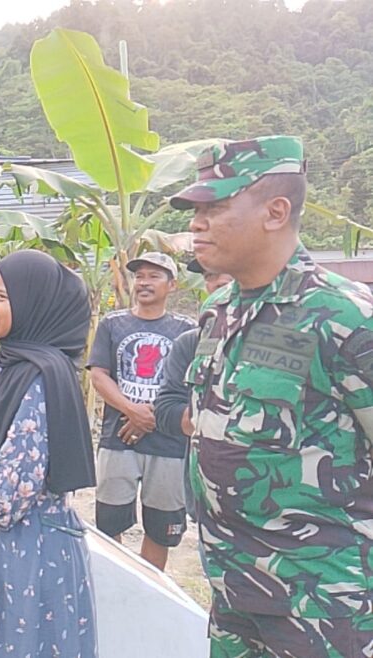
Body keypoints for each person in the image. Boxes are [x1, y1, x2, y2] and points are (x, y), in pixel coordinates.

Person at [174, 135, 373, 656]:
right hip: (233, 589)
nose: (197, 222)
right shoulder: (217, 312)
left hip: (322, 601)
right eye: (196, 209)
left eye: (215, 206)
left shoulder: (345, 317)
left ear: (276, 211)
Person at [0, 250, 97, 658]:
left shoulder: (45, 375)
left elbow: (17, 477)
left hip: (33, 546)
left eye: (2, 297)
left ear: (34, 303)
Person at [87, 251, 195, 571]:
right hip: (118, 438)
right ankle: (117, 588)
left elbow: (189, 386)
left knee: (161, 529)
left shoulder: (187, 331)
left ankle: (151, 591)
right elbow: (99, 374)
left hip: (168, 444)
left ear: (172, 285)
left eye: (154, 276)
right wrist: (131, 410)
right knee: (109, 523)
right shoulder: (113, 324)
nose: (144, 282)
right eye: (139, 276)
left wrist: (149, 418)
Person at [153, 259, 233, 510]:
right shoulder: (191, 342)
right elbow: (166, 410)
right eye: (210, 275)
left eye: (228, 272)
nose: (218, 282)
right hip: (208, 495)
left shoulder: (293, 335)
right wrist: (212, 421)